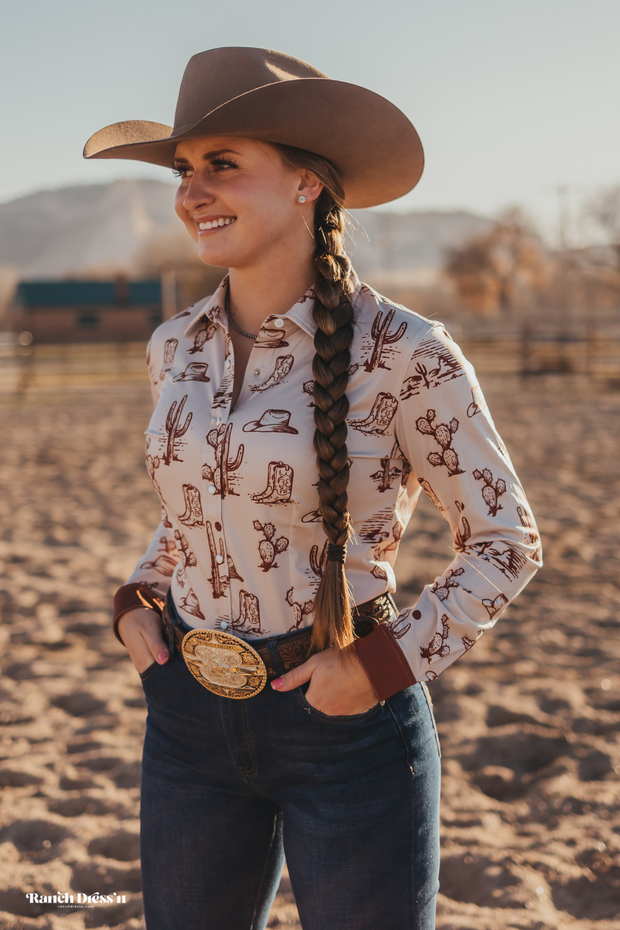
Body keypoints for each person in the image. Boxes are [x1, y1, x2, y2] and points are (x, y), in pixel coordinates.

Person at [84, 47, 542, 930]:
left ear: (307, 184)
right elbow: (193, 509)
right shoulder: (172, 346)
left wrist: (382, 668)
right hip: (184, 715)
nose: (192, 192)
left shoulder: (406, 352)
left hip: (347, 723)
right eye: (185, 170)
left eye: (224, 164)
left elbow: (505, 542)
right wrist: (138, 599)